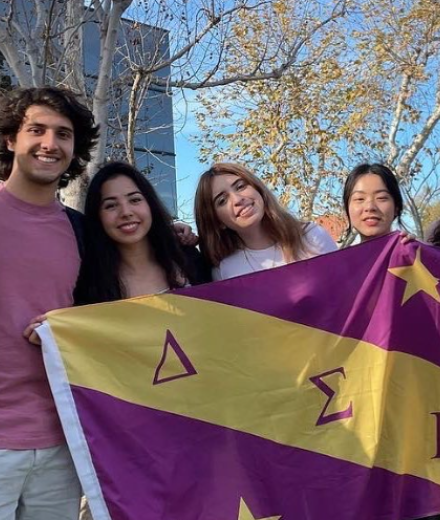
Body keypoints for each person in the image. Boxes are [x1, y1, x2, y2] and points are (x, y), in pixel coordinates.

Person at [0, 86, 99, 519]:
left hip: (61, 441)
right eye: (36, 130)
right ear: (10, 139)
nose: (50, 143)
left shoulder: (84, 233)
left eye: (63, 134)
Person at [74, 161, 209, 305]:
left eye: (135, 200)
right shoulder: (89, 284)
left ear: (150, 204)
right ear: (97, 216)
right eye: (111, 205)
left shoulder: (188, 258)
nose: (126, 212)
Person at [194, 162, 338, 280]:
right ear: (217, 221)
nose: (238, 199)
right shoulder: (223, 270)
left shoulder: (311, 236)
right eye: (222, 200)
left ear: (258, 190)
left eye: (240, 186)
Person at [342, 163, 406, 242]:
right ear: (347, 209)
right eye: (360, 199)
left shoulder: (414, 252)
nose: (370, 207)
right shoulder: (336, 254)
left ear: (396, 207)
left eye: (381, 198)